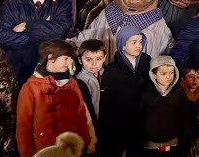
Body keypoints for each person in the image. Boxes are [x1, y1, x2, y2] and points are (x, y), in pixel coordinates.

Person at [0, 0, 75, 81]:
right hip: (17, 67)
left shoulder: (62, 3)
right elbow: (1, 35)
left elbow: (61, 30)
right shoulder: (12, 5)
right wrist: (39, 37)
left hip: (51, 67)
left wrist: (27, 27)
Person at [16, 41, 94, 157]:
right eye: (65, 59)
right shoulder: (31, 87)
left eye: (70, 59)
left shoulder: (72, 83)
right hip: (44, 150)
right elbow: (23, 126)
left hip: (71, 150)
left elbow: (81, 114)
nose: (69, 63)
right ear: (51, 58)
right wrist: (27, 154)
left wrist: (85, 143)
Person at [99, 27, 151, 157]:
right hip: (120, 125)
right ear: (122, 45)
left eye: (140, 42)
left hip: (142, 123)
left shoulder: (147, 63)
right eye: (134, 42)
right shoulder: (112, 71)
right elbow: (107, 105)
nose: (138, 46)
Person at [141, 55, 188, 154]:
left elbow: (185, 116)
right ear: (154, 75)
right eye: (163, 73)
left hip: (173, 142)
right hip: (150, 144)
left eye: (171, 73)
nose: (168, 77)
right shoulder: (145, 93)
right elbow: (139, 117)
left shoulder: (179, 92)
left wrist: (183, 139)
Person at [73, 40, 106, 139]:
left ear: (104, 58)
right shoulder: (79, 82)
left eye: (98, 59)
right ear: (80, 60)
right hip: (92, 126)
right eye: (88, 60)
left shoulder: (109, 74)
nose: (94, 64)